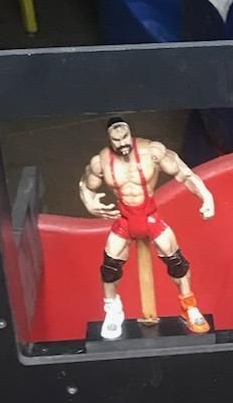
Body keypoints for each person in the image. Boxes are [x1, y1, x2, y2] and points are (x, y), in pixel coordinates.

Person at [79, 118, 216, 340]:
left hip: (150, 216)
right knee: (109, 269)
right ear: (109, 140)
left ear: (130, 134)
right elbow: (85, 186)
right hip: (124, 219)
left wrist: (206, 197)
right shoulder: (101, 162)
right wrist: (90, 203)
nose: (122, 143)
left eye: (124, 137)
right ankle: (113, 310)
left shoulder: (151, 151)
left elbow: (184, 173)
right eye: (116, 140)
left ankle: (189, 306)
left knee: (177, 264)